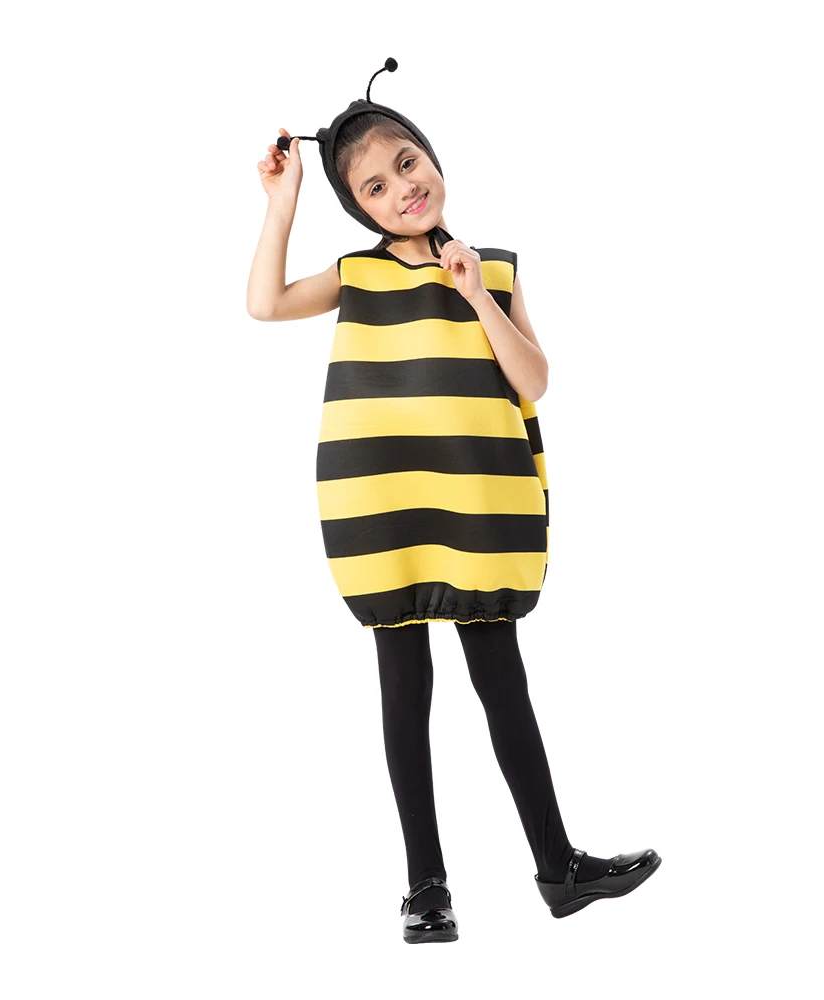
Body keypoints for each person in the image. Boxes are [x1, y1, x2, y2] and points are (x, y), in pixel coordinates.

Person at [246, 58, 661, 944]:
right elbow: (265, 304)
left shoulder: (494, 269)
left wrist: (474, 292)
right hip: (388, 507)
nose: (402, 187)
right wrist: (282, 203)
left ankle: (557, 867)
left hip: (474, 508)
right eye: (375, 186)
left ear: (432, 157)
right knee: (405, 692)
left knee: (503, 685)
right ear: (359, 209)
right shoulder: (356, 276)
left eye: (407, 162)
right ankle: (425, 887)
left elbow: (533, 381)